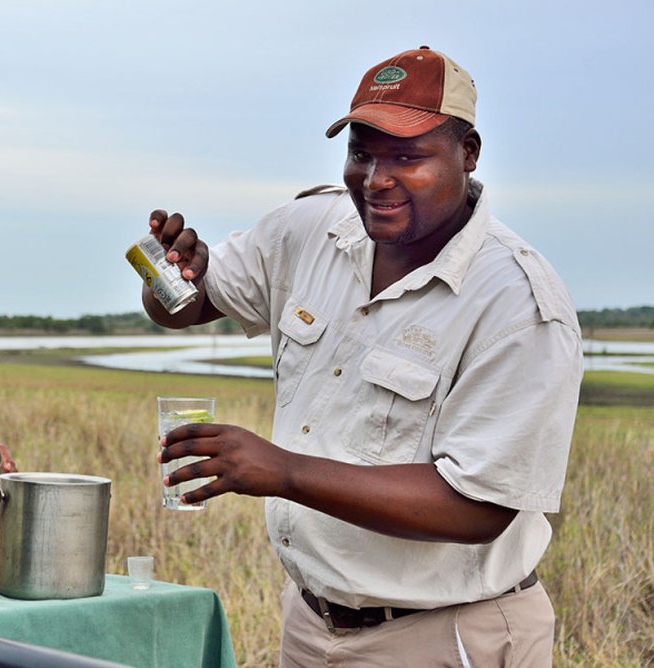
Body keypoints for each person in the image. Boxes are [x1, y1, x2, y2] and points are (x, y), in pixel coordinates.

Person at [143, 46, 583, 666]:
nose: (376, 179)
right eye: (361, 153)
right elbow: (188, 304)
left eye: (407, 156)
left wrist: (281, 470)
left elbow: (478, 506)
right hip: (310, 622)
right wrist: (167, 274)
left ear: (469, 154)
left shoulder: (518, 305)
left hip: (446, 636)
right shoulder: (311, 229)